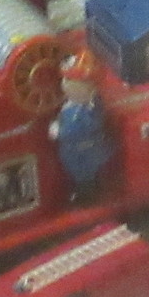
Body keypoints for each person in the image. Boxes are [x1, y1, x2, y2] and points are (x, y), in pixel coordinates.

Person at [49, 49, 116, 197]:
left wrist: (59, 131)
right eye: (66, 79)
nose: (65, 84)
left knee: (85, 176)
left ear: (89, 87)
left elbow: (78, 129)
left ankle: (87, 194)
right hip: (74, 152)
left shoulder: (88, 110)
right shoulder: (73, 103)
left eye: (71, 81)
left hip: (85, 152)